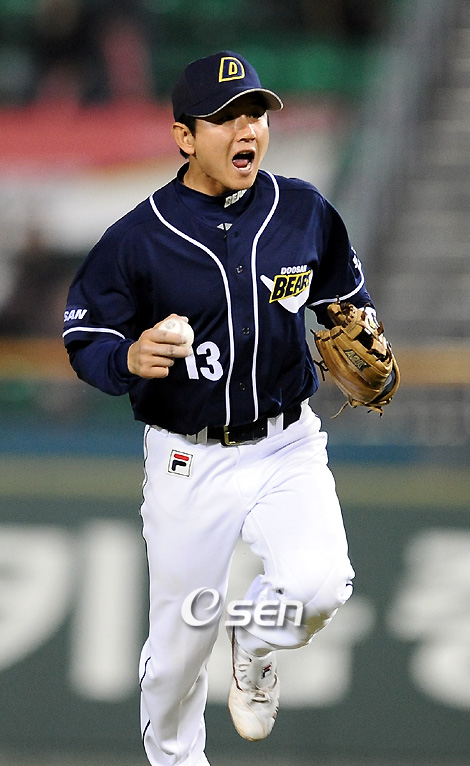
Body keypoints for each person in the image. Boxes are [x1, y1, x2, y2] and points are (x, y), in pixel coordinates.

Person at [63, 51, 380, 766]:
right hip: (188, 456)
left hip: (286, 443)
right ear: (184, 136)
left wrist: (359, 326)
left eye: (256, 113)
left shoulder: (302, 209)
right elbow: (85, 336)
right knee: (177, 658)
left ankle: (257, 639)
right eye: (226, 118)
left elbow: (344, 300)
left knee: (319, 586)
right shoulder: (138, 238)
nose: (248, 129)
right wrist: (126, 358)